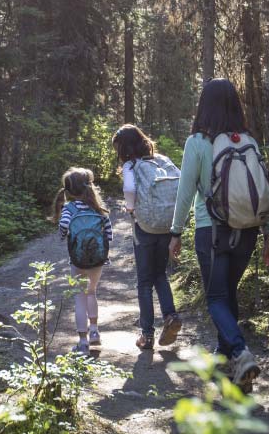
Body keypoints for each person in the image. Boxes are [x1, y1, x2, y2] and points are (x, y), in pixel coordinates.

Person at [169, 78, 269, 390]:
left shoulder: (198, 142)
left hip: (212, 231)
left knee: (216, 296)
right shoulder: (248, 140)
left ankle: (241, 352)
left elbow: (185, 191)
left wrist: (175, 232)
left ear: (204, 105)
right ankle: (227, 359)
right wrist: (268, 235)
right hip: (247, 231)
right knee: (227, 293)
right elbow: (264, 192)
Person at [112, 124, 182, 350]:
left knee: (144, 281)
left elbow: (130, 190)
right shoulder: (161, 160)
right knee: (160, 274)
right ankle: (170, 316)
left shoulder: (132, 165)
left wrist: (130, 209)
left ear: (124, 147)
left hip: (145, 227)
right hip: (167, 225)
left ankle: (147, 335)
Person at [50, 167, 113, 354]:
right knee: (92, 292)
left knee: (79, 297)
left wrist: (65, 235)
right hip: (97, 260)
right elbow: (109, 233)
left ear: (68, 191)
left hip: (77, 260)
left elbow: (63, 227)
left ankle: (83, 342)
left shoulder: (69, 209)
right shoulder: (98, 208)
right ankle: (94, 332)